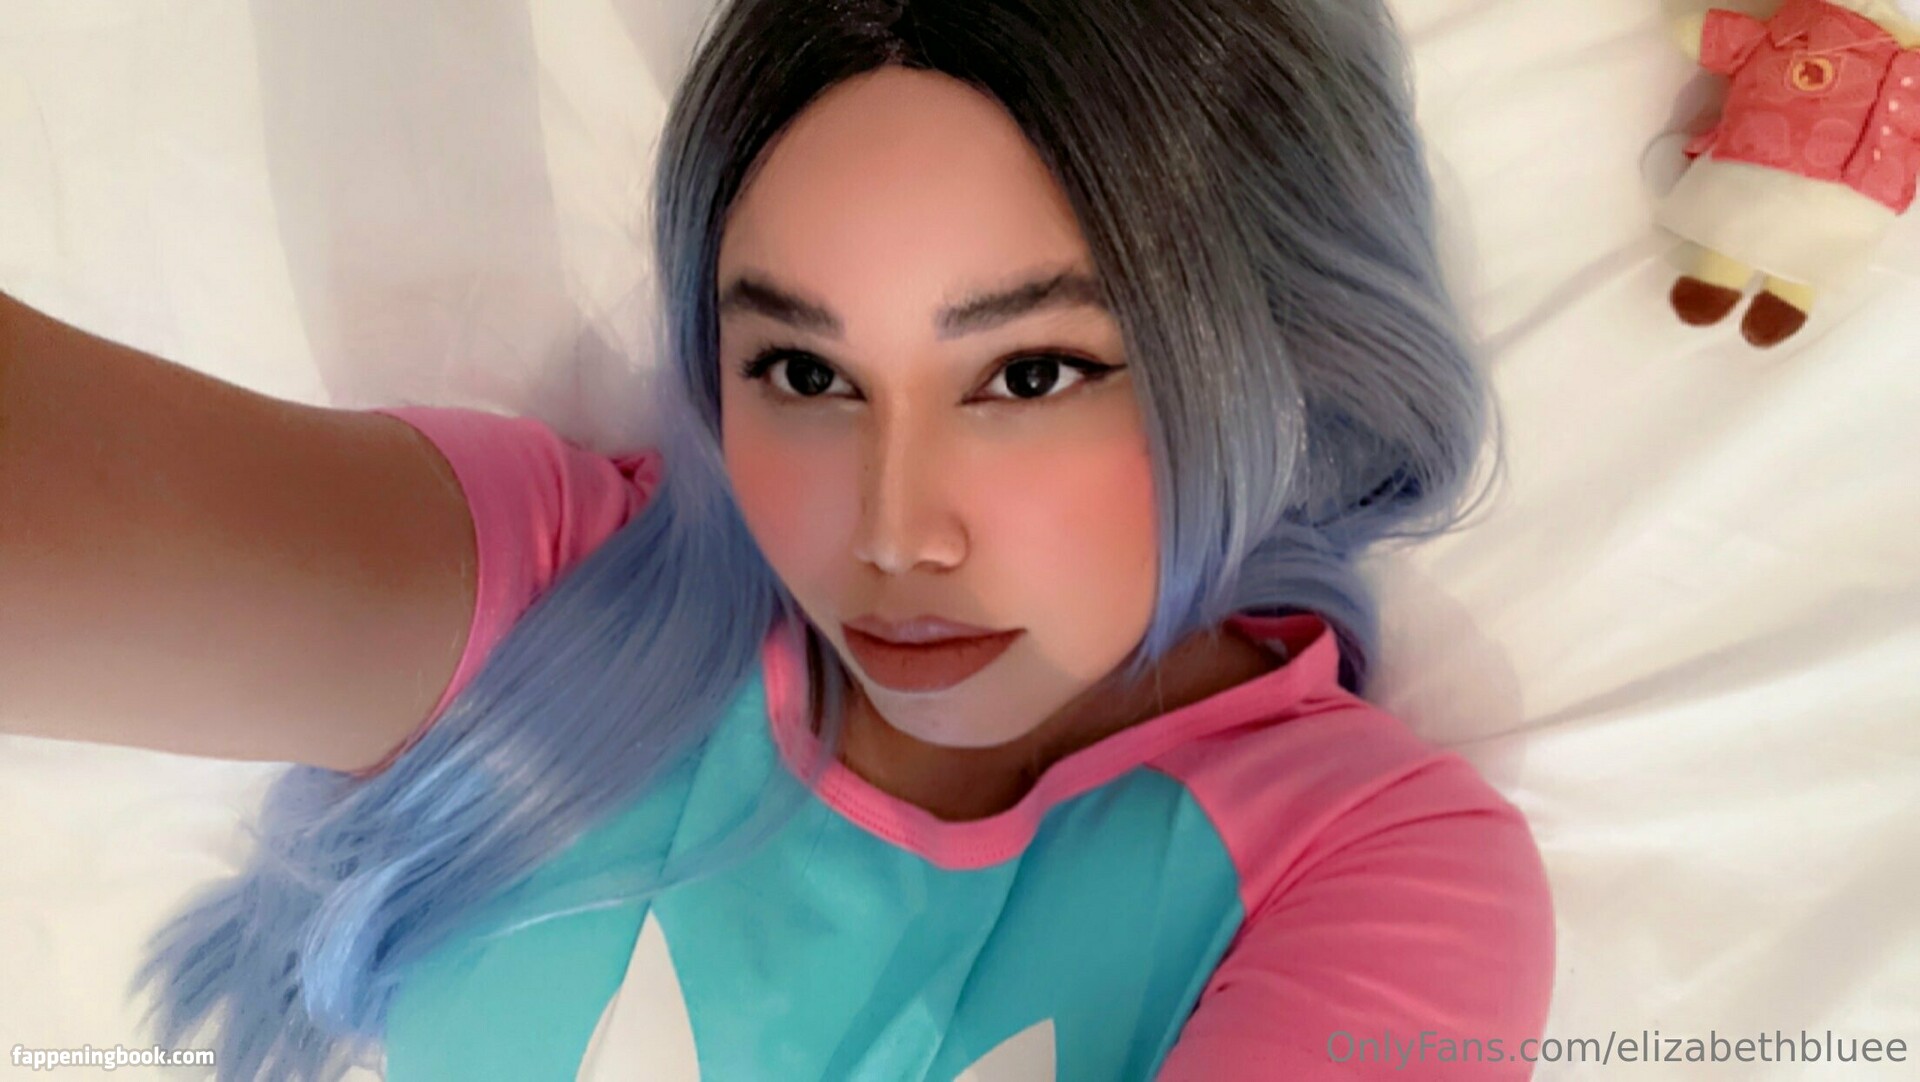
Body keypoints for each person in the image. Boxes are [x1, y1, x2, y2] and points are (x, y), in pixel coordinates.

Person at [0, 0, 1555, 1078]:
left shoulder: (1374, 865)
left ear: (1273, 348)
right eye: (805, 374)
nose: (890, 529)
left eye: (1029, 373)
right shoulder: (552, 603)